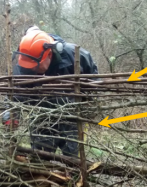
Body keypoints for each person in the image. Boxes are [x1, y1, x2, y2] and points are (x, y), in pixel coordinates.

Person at [10, 26, 98, 157]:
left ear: (50, 54)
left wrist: (87, 107)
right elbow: (15, 93)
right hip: (42, 118)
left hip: (72, 118)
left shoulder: (75, 55)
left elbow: (94, 83)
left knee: (73, 159)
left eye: (36, 65)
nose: (32, 69)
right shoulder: (24, 62)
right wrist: (12, 114)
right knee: (40, 160)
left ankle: (74, 175)